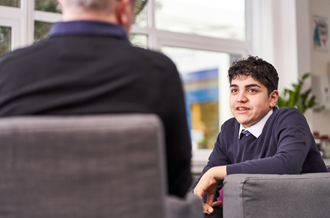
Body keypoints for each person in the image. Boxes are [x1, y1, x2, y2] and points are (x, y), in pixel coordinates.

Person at [0, 0, 192, 199]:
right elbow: (175, 183)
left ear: (60, 3)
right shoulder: (159, 72)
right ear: (124, 8)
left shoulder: (7, 71)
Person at [192, 56, 327, 216]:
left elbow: (287, 165)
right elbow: (207, 181)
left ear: (273, 98)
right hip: (256, 208)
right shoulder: (229, 129)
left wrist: (217, 172)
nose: (240, 98)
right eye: (234, 90)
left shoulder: (289, 117)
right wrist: (196, 203)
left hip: (302, 209)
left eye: (252, 90)